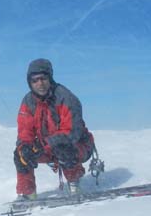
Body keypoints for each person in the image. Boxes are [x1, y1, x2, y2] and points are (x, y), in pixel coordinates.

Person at [13, 58, 95, 199]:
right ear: (29, 83)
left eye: (43, 78)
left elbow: (71, 133)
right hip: (47, 148)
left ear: (50, 78)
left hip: (79, 146)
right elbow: (25, 131)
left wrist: (44, 144)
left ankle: (74, 185)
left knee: (63, 147)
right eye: (35, 80)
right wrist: (25, 146)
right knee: (21, 155)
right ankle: (28, 195)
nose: (40, 84)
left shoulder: (66, 98)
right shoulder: (28, 102)